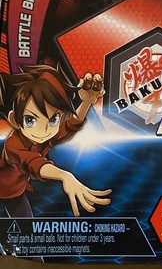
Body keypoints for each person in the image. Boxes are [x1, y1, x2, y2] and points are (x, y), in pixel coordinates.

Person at [0, 64, 111, 218]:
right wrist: (64, 176)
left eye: (53, 120)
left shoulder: (44, 138)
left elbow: (70, 126)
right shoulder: (13, 144)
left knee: (26, 228)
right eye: (30, 120)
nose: (44, 130)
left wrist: (86, 102)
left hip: (16, 193)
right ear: (14, 119)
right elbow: (33, 163)